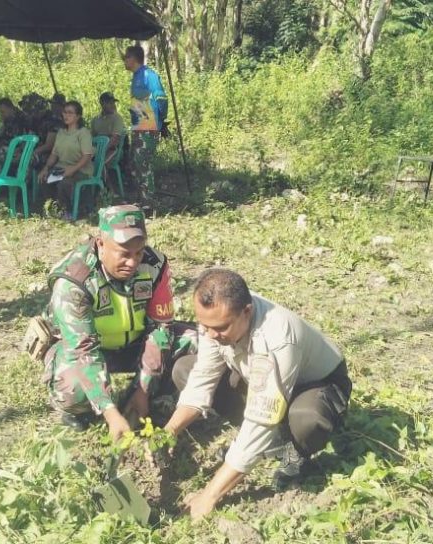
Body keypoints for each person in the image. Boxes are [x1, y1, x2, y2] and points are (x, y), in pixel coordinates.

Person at [165, 268, 352, 519]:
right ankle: (270, 443)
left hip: (314, 385)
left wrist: (209, 495)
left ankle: (296, 449)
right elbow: (202, 379)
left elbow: (262, 418)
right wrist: (168, 432)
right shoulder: (217, 318)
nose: (210, 334)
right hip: (259, 378)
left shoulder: (277, 336)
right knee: (185, 370)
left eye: (219, 328)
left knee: (307, 418)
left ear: (247, 312)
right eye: (204, 326)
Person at [42, 205, 197, 442]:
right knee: (72, 389)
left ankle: (150, 394)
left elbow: (160, 327)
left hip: (136, 344)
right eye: (123, 253)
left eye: (138, 252)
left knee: (197, 341)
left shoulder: (154, 265)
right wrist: (110, 412)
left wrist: (143, 389)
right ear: (101, 244)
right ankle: (85, 409)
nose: (133, 262)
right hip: (89, 349)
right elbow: (82, 350)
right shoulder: (74, 281)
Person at [123, 45, 168, 202]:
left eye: (126, 57)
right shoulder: (136, 76)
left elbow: (161, 99)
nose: (124, 61)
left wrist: (159, 122)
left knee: (143, 162)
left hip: (148, 127)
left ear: (134, 58)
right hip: (138, 126)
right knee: (134, 162)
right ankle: (140, 198)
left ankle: (149, 200)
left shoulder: (149, 75)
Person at [36, 100, 94, 219]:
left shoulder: (83, 133)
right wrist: (46, 168)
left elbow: (87, 156)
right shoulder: (61, 132)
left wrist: (73, 169)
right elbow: (54, 154)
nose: (66, 115)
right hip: (62, 169)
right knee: (45, 179)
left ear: (78, 116)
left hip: (81, 170)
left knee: (64, 183)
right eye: (64, 112)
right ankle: (53, 209)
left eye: (70, 113)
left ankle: (68, 213)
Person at [90, 92, 127, 193]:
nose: (113, 105)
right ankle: (91, 190)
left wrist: (101, 151)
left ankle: (108, 192)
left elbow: (115, 139)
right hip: (97, 150)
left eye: (113, 102)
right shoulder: (95, 120)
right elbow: (91, 138)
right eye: (109, 103)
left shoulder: (117, 118)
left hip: (112, 150)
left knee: (100, 163)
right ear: (102, 103)